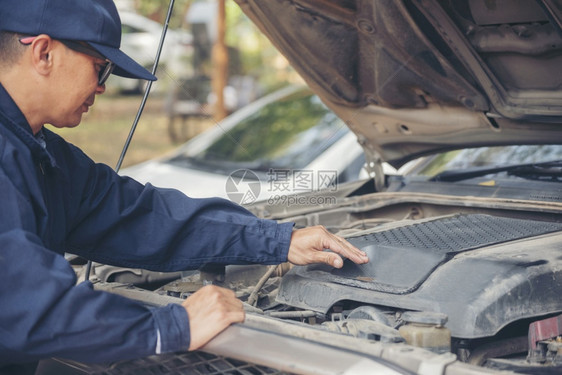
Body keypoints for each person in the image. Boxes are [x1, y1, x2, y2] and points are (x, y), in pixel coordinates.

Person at [0, 0, 369, 372]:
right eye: (101, 68)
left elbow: (139, 216)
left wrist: (278, 240)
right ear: (44, 53)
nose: (102, 88)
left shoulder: (38, 152)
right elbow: (22, 304)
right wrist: (170, 327)